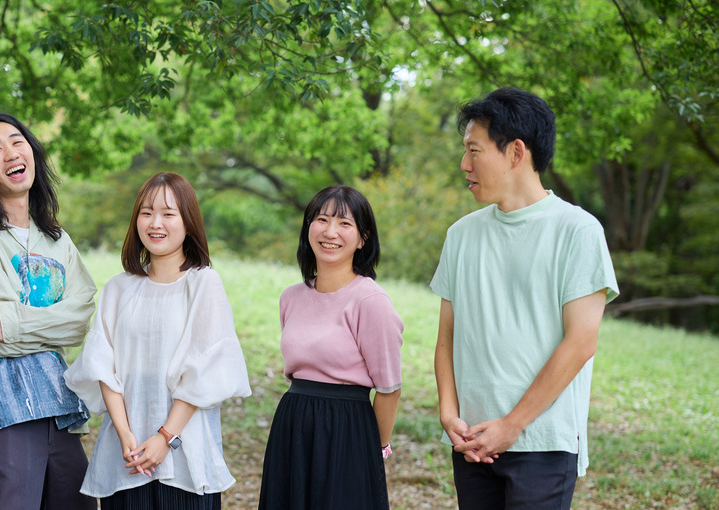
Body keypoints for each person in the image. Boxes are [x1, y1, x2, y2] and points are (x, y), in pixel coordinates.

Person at [432, 87, 619, 509]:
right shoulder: (461, 235)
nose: (465, 165)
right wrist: (449, 414)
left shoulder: (578, 231)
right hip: (472, 437)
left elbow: (581, 342)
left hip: (542, 440)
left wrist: (512, 425)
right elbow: (447, 335)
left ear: (516, 153)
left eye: (474, 151)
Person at [64, 173, 251, 509]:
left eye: (168, 213)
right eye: (147, 212)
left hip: (186, 458)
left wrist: (166, 437)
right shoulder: (119, 288)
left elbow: (204, 371)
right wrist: (126, 437)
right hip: (126, 456)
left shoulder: (203, 283)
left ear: (188, 221)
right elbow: (102, 366)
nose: (155, 223)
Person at [0, 113, 98, 510]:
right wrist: (52, 323)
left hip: (60, 408)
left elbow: (81, 320)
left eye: (17, 142)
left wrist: (14, 321)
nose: (11, 152)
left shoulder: (56, 239)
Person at [258, 185, 403, 510]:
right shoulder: (291, 297)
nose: (330, 232)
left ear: (363, 238)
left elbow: (389, 389)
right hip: (293, 426)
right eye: (321, 220)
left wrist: (369, 450)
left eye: (344, 224)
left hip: (348, 431)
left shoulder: (371, 301)